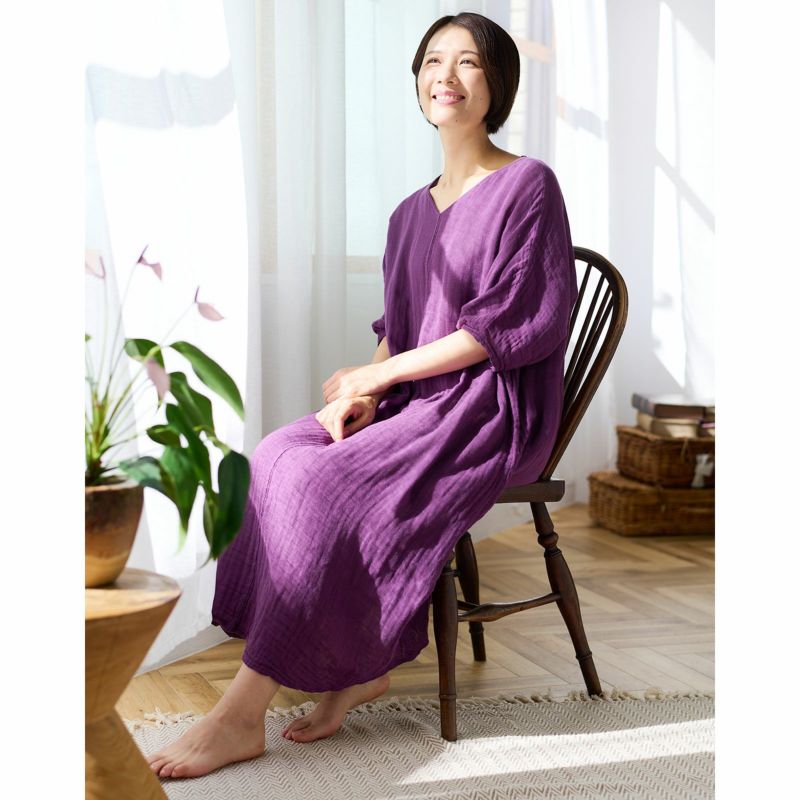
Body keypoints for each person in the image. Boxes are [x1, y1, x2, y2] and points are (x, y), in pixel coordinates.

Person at [147, 11, 578, 780]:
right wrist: (370, 393)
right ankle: (355, 669)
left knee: (324, 484)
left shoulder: (527, 185)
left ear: (498, 84)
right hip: (412, 402)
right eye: (434, 59)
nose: (446, 75)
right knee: (277, 455)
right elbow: (398, 327)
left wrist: (379, 377)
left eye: (469, 61)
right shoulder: (409, 212)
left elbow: (509, 323)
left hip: (488, 410)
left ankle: (239, 714)